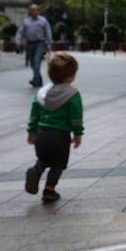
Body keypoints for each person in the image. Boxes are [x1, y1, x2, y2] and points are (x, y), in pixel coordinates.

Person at [24, 52, 83, 203]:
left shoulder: (42, 93)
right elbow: (76, 116)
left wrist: (31, 131)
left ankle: (37, 170)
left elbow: (34, 114)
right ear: (70, 76)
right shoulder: (72, 94)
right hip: (60, 135)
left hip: (41, 134)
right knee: (58, 164)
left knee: (43, 159)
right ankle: (49, 190)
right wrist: (77, 134)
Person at [15, 4, 53, 87]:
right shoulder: (26, 21)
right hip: (29, 43)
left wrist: (49, 44)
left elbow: (48, 32)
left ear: (38, 11)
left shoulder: (43, 20)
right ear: (30, 11)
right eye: (32, 10)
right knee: (32, 63)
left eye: (35, 10)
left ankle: (36, 79)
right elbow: (20, 32)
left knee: (36, 62)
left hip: (40, 43)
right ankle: (38, 79)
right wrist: (18, 40)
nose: (34, 12)